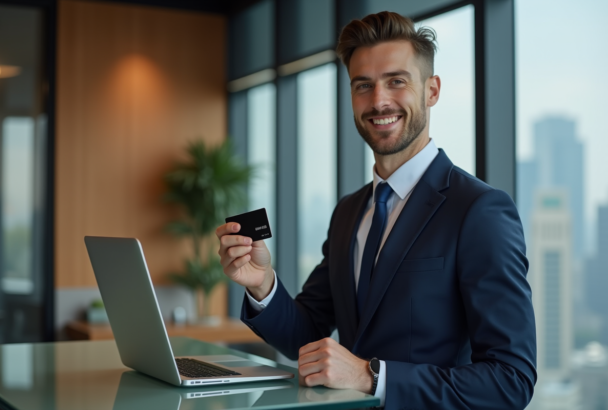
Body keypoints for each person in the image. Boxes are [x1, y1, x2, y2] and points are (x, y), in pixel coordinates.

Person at [216, 11, 536, 409]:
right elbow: (309, 336)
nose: (378, 100)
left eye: (396, 81)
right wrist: (262, 283)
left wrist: (371, 376)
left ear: (432, 90)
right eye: (363, 86)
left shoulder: (479, 210)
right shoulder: (350, 211)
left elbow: (511, 380)